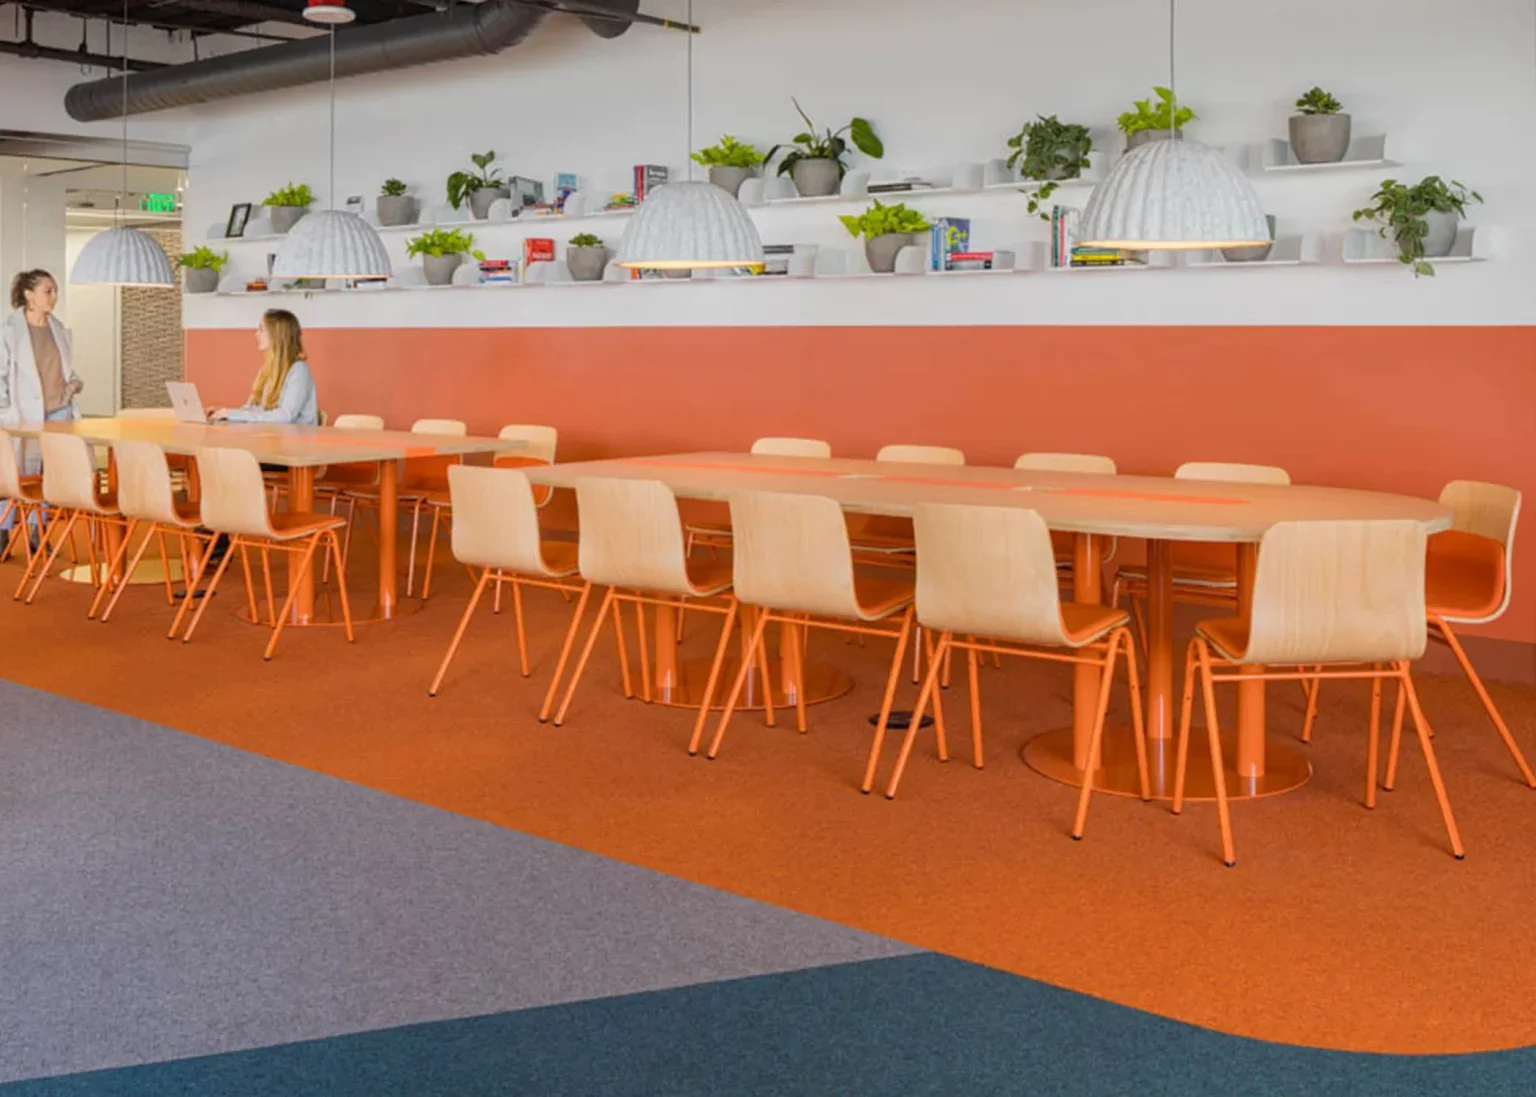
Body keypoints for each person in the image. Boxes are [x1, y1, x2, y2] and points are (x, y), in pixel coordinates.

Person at [1, 270, 83, 540]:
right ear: (29, 295)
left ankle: (38, 530)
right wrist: (4, 409)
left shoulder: (58, 328)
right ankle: (3, 528)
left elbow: (63, 370)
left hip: (58, 411)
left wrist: (72, 387)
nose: (54, 296)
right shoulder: (9, 331)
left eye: (55, 290)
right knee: (16, 472)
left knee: (50, 474)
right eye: (48, 291)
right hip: (23, 414)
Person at [208, 308, 318, 425]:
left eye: (261, 329)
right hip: (272, 438)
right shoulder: (267, 369)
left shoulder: (299, 370)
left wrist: (235, 415)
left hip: (296, 441)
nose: (256, 334)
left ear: (277, 335)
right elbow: (254, 409)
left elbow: (286, 415)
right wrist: (225, 414)